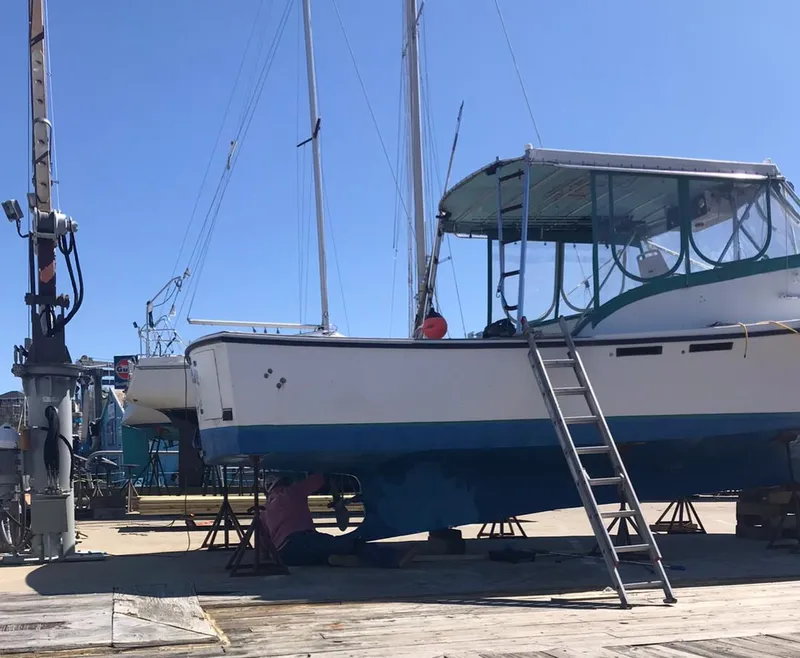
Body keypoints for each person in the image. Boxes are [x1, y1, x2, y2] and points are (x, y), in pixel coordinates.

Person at [260, 472, 416, 568]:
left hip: (285, 556)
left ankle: (332, 560)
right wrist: (332, 482)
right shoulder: (291, 492)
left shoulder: (264, 511)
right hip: (302, 541)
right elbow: (319, 479)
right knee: (351, 543)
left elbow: (263, 546)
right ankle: (393, 559)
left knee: (322, 551)